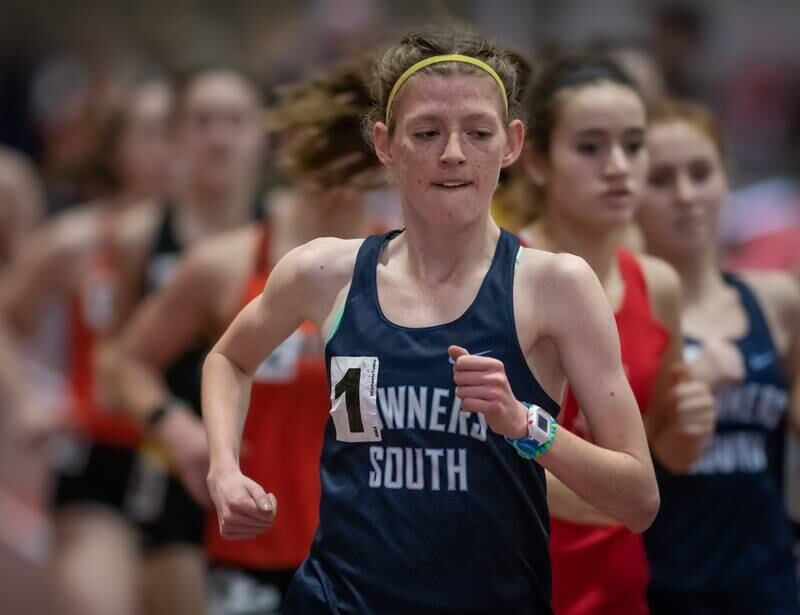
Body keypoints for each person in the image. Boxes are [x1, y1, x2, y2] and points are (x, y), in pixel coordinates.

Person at [202, 26, 659, 613]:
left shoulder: (556, 286)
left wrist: (526, 425)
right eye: (426, 132)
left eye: (477, 132)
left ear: (513, 144)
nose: (452, 153)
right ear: (385, 145)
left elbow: (639, 500)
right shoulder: (324, 272)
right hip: (337, 600)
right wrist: (224, 468)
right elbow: (229, 358)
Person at [110, 55, 384, 614]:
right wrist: (177, 427)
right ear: (295, 155)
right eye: (328, 159)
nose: (342, 181)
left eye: (357, 162)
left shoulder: (402, 266)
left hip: (364, 547)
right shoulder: (226, 264)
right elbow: (122, 363)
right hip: (247, 543)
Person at [517, 53, 715, 615]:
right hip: (516, 578)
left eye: (633, 144)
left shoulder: (658, 285)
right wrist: (625, 494)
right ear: (535, 160)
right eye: (589, 147)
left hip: (621, 586)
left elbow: (658, 453)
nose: (619, 165)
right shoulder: (502, 274)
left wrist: (689, 426)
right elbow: (478, 459)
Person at [0, 76, 173, 615]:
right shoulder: (77, 240)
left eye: (174, 131)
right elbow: (6, 313)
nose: (164, 148)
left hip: (199, 465)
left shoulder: (235, 243)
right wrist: (25, 397)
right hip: (100, 458)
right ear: (115, 147)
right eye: (148, 133)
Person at [636, 98, 800, 615]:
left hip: (767, 584)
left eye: (701, 173)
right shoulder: (618, 309)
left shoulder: (776, 301)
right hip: (661, 587)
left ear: (726, 181)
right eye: (661, 179)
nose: (686, 195)